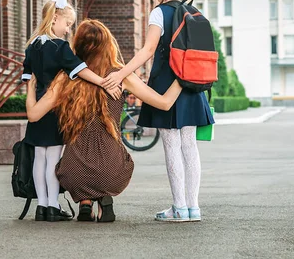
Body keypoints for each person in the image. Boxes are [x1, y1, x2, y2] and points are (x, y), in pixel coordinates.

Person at [26, 19, 182, 222]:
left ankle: (85, 202)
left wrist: (30, 87)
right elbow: (164, 103)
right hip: (112, 169)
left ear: (77, 45)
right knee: (117, 160)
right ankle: (104, 197)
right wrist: (183, 79)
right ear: (108, 44)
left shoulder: (66, 76)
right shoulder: (120, 75)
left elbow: (34, 115)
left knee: (71, 165)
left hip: (74, 172)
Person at [102, 0, 214, 222]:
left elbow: (148, 50)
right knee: (190, 145)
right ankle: (193, 208)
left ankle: (179, 208)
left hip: (166, 84)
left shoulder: (159, 13)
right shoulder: (196, 12)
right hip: (192, 84)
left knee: (172, 146)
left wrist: (121, 73)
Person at [20, 0, 120, 222]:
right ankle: (53, 206)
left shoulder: (32, 45)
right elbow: (80, 69)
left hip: (37, 102)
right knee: (53, 159)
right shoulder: (60, 47)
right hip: (55, 106)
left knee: (39, 158)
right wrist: (103, 82)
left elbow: (28, 77)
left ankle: (42, 206)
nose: (68, 31)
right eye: (67, 24)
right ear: (55, 19)